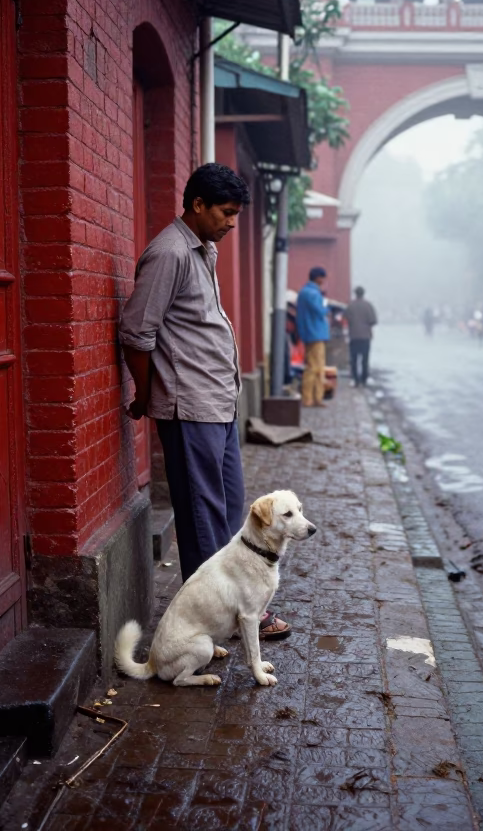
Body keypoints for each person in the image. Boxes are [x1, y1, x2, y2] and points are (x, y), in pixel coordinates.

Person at [119, 162, 290, 640]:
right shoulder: (170, 253)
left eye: (236, 214)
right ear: (197, 205)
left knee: (230, 507)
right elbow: (136, 331)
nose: (231, 222)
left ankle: (236, 607)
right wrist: (148, 393)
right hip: (189, 403)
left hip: (217, 401)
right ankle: (217, 618)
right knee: (202, 517)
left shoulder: (204, 249)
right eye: (225, 212)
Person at [297, 266, 330, 407]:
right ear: (318, 278)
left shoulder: (305, 292)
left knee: (314, 366)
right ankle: (310, 398)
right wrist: (327, 304)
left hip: (310, 333)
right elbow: (321, 310)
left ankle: (315, 397)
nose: (324, 281)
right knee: (315, 367)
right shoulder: (313, 294)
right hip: (316, 333)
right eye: (323, 278)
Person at [346, 286, 378, 386]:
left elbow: (346, 318)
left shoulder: (350, 306)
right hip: (365, 336)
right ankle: (364, 378)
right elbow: (373, 321)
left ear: (355, 293)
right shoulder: (368, 305)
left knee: (354, 359)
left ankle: (355, 379)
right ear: (363, 293)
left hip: (354, 336)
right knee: (365, 359)